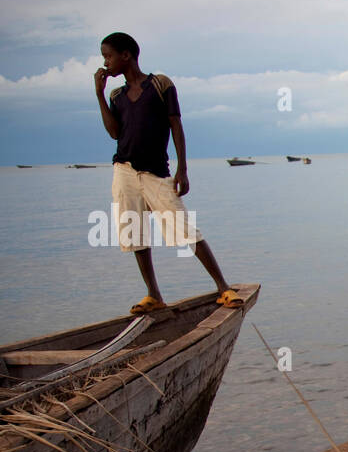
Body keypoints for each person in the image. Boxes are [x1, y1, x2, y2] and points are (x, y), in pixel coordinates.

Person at [94, 32, 242, 313]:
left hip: (156, 172)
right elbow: (115, 133)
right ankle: (153, 295)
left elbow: (176, 125)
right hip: (124, 170)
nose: (105, 62)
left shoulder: (160, 85)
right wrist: (99, 95)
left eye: (108, 56)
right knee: (135, 232)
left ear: (126, 55)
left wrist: (182, 169)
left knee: (184, 228)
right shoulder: (116, 95)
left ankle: (223, 287)